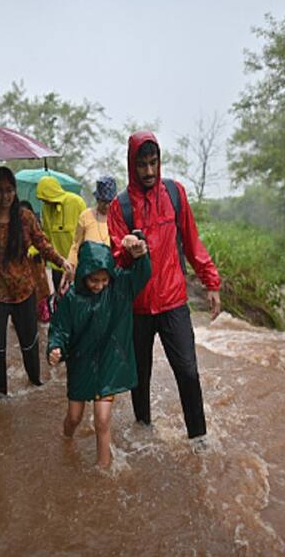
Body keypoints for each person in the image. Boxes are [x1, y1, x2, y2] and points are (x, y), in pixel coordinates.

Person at [107, 131, 222, 441]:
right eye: (142, 164)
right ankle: (144, 433)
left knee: (188, 372)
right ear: (132, 165)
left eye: (153, 163)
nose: (148, 171)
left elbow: (193, 242)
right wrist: (127, 250)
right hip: (137, 307)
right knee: (139, 378)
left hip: (173, 301)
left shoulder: (174, 194)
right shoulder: (120, 207)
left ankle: (198, 439)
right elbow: (116, 257)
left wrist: (211, 282)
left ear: (159, 161)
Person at [47, 236, 151, 467]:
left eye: (104, 280)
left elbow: (142, 274)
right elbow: (60, 329)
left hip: (108, 362)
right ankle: (65, 438)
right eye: (94, 280)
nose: (99, 285)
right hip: (81, 363)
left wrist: (141, 253)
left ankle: (102, 471)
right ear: (84, 273)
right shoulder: (71, 298)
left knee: (102, 420)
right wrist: (55, 348)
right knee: (74, 417)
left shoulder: (119, 288)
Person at [0, 166, 74, 395]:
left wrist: (62, 261)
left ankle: (35, 385)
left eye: (9, 190)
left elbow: (42, 244)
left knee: (30, 346)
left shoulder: (25, 217)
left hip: (25, 292)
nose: (5, 196)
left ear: (15, 191)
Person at [35, 176, 86, 292]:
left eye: (45, 198)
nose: (44, 201)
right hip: (58, 265)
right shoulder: (46, 209)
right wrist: (35, 249)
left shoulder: (76, 202)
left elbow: (86, 233)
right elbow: (46, 235)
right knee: (61, 300)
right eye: (42, 199)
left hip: (77, 265)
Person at [67, 175, 117, 266]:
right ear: (97, 199)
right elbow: (76, 245)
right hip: (89, 269)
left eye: (110, 202)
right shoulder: (85, 216)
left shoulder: (119, 217)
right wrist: (71, 264)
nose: (106, 206)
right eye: (103, 201)